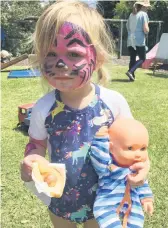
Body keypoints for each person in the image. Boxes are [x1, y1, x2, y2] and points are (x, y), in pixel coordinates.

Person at [20, 1, 151, 228]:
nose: (61, 63)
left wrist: (144, 167)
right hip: (60, 201)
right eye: (51, 53)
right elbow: (37, 143)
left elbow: (135, 145)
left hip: (105, 200)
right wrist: (34, 158)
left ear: (98, 58)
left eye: (73, 53)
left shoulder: (113, 103)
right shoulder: (44, 107)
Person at [90, 119, 153, 228]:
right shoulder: (108, 167)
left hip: (132, 203)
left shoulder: (136, 169)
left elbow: (142, 184)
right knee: (107, 218)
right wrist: (100, 140)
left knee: (137, 221)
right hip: (107, 204)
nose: (138, 154)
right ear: (111, 148)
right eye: (130, 148)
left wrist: (147, 199)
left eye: (143, 148)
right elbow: (98, 157)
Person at [126, 0, 150, 81]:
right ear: (143, 6)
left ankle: (131, 78)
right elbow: (146, 29)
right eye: (147, 7)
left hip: (130, 39)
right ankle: (130, 71)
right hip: (139, 40)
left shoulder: (131, 14)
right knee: (142, 58)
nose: (148, 8)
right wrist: (147, 30)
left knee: (132, 58)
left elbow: (128, 27)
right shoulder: (144, 14)